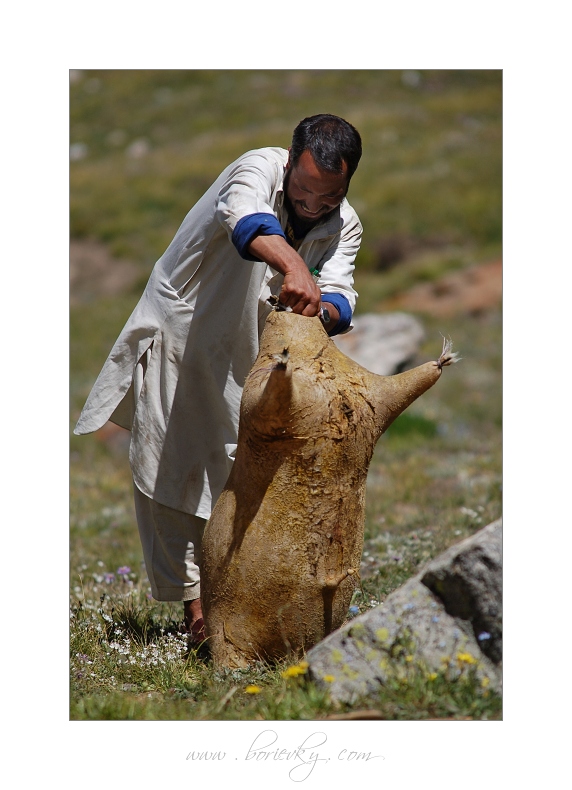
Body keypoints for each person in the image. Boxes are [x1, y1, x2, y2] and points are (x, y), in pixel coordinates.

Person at [74, 114, 363, 644]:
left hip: (255, 355)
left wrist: (324, 306)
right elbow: (245, 218)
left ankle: (249, 600)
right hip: (186, 336)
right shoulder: (256, 168)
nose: (313, 205)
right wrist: (296, 269)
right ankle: (198, 614)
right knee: (174, 469)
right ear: (291, 162)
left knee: (243, 474)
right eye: (304, 190)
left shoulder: (345, 224)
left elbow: (342, 292)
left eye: (329, 197)